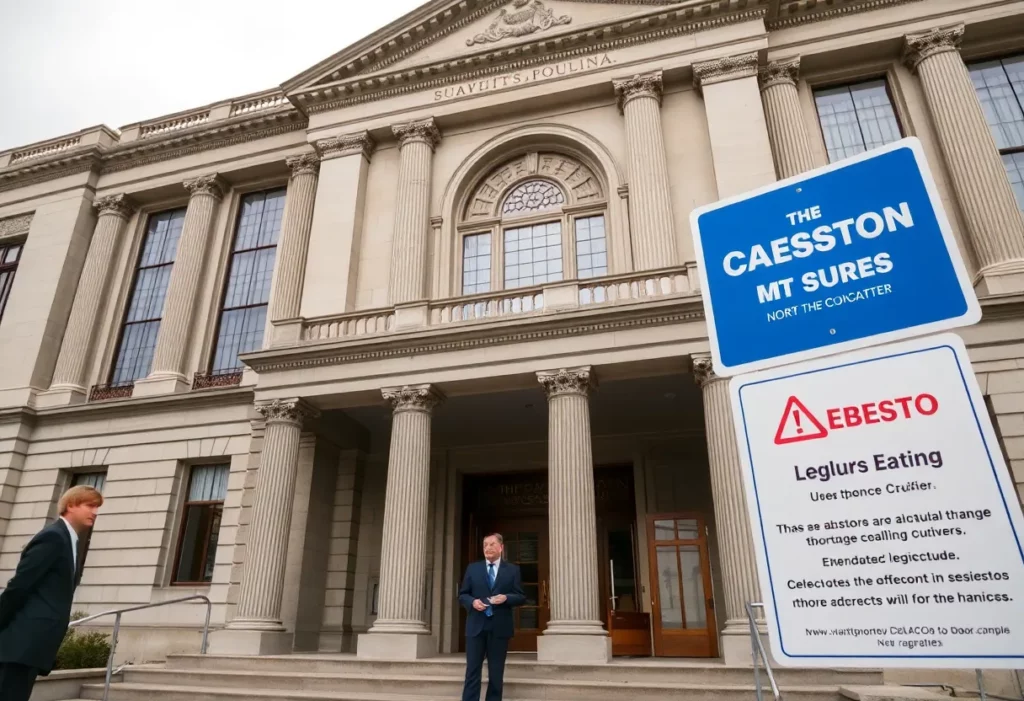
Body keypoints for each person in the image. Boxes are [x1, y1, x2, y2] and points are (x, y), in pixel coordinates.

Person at [0, 485, 103, 701]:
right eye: (90, 505)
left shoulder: (70, 540)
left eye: (97, 507)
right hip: (20, 642)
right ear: (71, 505)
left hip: (31, 644)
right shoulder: (53, 537)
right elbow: (20, 585)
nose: (95, 512)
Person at [458, 532, 525, 701]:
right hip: (476, 627)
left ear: (501, 547)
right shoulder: (473, 568)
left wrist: (506, 598)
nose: (487, 548)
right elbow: (463, 594)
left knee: (496, 673)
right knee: (472, 671)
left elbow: (520, 596)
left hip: (499, 628)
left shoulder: (512, 570)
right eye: (485, 545)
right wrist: (472, 602)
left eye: (491, 544)